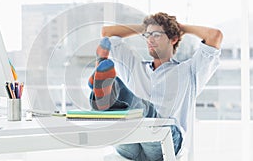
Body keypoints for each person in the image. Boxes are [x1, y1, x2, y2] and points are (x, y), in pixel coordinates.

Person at [88, 12, 222, 161]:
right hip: (132, 139)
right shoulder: (135, 67)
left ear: (173, 39)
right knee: (122, 124)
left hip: (165, 140)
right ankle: (106, 95)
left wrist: (180, 28)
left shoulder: (189, 71)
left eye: (157, 35)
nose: (150, 39)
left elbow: (214, 36)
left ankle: (110, 92)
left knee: (143, 112)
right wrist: (146, 28)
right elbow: (107, 33)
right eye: (147, 35)